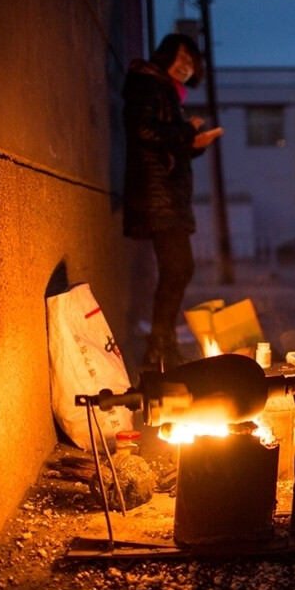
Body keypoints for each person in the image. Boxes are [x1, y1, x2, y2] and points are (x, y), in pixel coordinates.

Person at [122, 33, 223, 371]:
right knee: (179, 268)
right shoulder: (149, 83)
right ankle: (157, 348)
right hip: (157, 193)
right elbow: (143, 130)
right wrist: (185, 134)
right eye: (182, 58)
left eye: (191, 63)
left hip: (168, 193)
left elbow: (168, 143)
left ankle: (161, 346)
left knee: (177, 269)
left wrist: (194, 142)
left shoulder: (166, 90)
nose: (186, 66)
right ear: (166, 55)